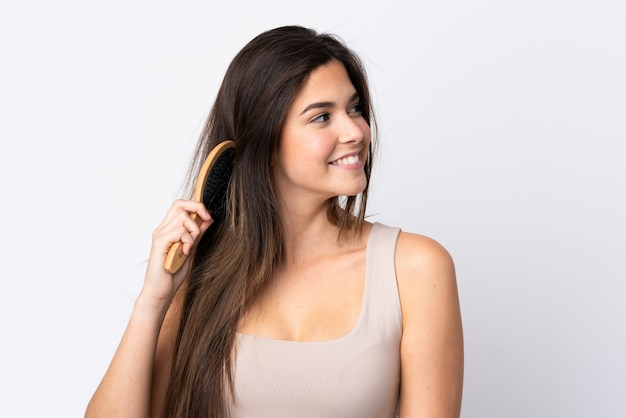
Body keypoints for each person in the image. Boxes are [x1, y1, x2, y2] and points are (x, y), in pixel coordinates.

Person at [85, 25, 463, 418]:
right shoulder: (200, 273)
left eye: (353, 109)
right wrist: (153, 301)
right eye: (322, 117)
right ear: (264, 138)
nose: (355, 131)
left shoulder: (416, 268)